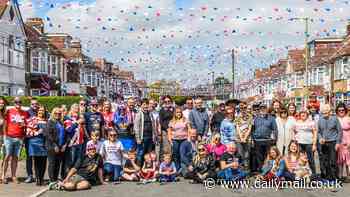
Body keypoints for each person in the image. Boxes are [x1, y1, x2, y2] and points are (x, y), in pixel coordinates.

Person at [2, 97, 28, 184]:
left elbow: (26, 125)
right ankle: (3, 176)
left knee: (15, 158)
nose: (18, 103)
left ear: (21, 103)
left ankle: (13, 176)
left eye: (19, 102)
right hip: (9, 137)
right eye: (16, 102)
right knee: (7, 157)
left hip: (19, 138)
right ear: (14, 103)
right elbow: (4, 124)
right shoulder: (9, 111)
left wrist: (24, 127)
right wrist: (5, 135)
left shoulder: (24, 113)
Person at [318, 104, 342, 181]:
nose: (324, 114)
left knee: (333, 161)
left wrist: (338, 142)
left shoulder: (335, 119)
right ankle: (328, 177)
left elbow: (340, 131)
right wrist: (320, 138)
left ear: (329, 112)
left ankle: (335, 177)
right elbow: (318, 132)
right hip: (324, 143)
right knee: (325, 161)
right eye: (323, 113)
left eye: (326, 112)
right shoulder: (320, 119)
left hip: (333, 142)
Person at [46, 107, 71, 184]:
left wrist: (64, 145)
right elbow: (48, 135)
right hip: (52, 146)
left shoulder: (62, 123)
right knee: (52, 163)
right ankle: (52, 180)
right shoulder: (50, 122)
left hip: (61, 147)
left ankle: (56, 179)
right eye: (56, 113)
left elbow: (66, 134)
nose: (57, 115)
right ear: (53, 114)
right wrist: (54, 145)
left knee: (58, 164)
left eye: (59, 113)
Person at [251, 104, 278, 173]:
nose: (263, 110)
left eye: (264, 108)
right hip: (257, 141)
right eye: (261, 108)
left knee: (268, 157)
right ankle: (261, 171)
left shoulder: (271, 118)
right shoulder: (255, 118)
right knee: (259, 157)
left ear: (266, 109)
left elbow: (275, 129)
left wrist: (274, 140)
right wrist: (253, 138)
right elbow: (252, 129)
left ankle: (267, 171)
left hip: (268, 141)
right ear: (259, 110)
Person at [26, 106, 48, 186]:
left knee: (44, 162)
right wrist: (38, 132)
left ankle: (42, 179)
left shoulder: (47, 120)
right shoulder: (33, 119)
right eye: (40, 110)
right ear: (37, 111)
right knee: (37, 162)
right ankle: (38, 179)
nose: (41, 112)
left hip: (44, 143)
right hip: (35, 142)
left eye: (43, 110)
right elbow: (28, 132)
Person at [292, 109, 317, 175]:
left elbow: (315, 132)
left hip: (309, 143)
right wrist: (295, 140)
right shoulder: (297, 122)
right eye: (301, 113)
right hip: (299, 143)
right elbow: (294, 131)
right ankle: (299, 174)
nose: (303, 114)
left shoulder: (311, 122)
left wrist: (314, 144)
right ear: (300, 115)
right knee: (299, 159)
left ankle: (313, 175)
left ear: (307, 114)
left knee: (310, 159)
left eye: (304, 113)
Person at [134, 99, 157, 165]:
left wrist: (154, 136)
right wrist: (138, 138)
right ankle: (139, 168)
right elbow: (136, 127)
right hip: (142, 138)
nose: (145, 106)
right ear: (141, 105)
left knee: (148, 154)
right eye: (143, 104)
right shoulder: (139, 114)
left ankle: (147, 168)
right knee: (141, 153)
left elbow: (153, 125)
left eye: (147, 104)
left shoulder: (150, 114)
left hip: (150, 137)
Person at [168, 106, 190, 170]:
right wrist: (170, 140)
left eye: (180, 112)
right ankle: (177, 168)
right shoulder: (172, 121)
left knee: (182, 153)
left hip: (184, 139)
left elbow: (189, 129)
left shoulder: (185, 120)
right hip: (175, 140)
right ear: (175, 113)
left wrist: (188, 138)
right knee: (175, 154)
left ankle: (183, 168)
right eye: (177, 112)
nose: (179, 114)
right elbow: (169, 131)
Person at [24, 98, 39, 183]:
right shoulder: (27, 113)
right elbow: (24, 124)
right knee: (29, 157)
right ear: (30, 104)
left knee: (37, 157)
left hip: (38, 138)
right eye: (33, 104)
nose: (34, 105)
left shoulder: (40, 112)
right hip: (29, 138)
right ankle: (30, 175)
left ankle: (37, 176)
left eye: (36, 104)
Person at [336, 103, 350, 181]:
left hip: (347, 140)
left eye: (342, 110)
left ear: (345, 110)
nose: (341, 111)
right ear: (337, 111)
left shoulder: (348, 118)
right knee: (340, 159)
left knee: (348, 159)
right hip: (339, 141)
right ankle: (340, 176)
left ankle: (348, 176)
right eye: (339, 110)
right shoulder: (335, 119)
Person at [0, 97, 7, 184]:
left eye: (2, 103)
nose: (1, 104)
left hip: (4, 137)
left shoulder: (5, 114)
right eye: (0, 103)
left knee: (4, 158)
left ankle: (2, 176)